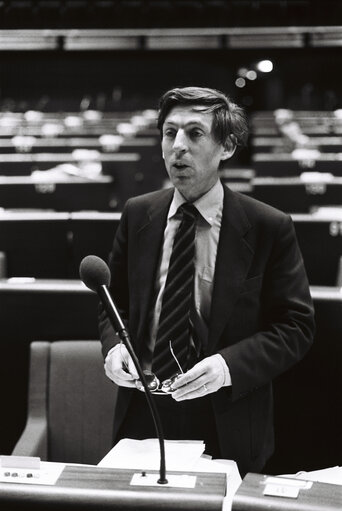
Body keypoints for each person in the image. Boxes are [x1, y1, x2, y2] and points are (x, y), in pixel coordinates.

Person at [99, 86, 315, 477]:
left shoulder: (268, 226)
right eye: (169, 133)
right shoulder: (138, 214)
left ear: (227, 146)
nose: (178, 146)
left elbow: (295, 327)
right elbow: (114, 305)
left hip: (226, 414)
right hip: (144, 411)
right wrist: (115, 348)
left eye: (195, 133)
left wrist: (227, 366)